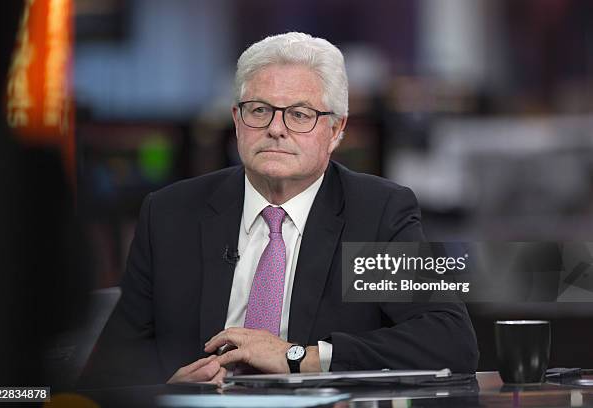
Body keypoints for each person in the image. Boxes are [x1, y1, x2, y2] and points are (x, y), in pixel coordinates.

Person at [80, 32, 478, 388]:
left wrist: (299, 357)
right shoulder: (171, 215)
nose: (276, 128)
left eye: (300, 114)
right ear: (237, 121)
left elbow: (446, 339)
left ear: (337, 130)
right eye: (258, 110)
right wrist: (166, 389)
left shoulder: (372, 215)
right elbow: (113, 366)